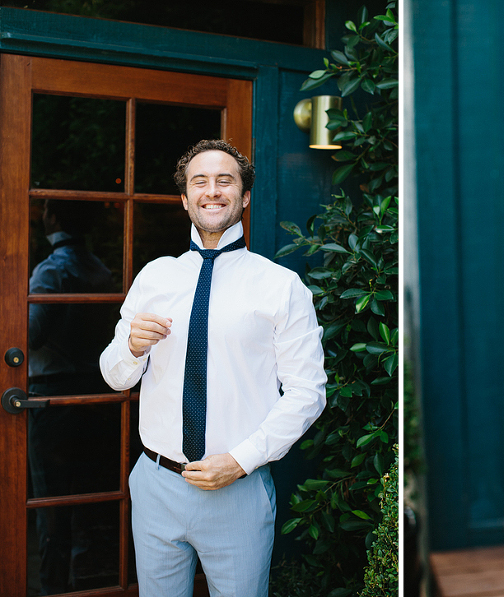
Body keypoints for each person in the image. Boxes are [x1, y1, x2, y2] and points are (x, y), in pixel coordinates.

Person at [99, 139, 327, 596]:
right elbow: (115, 375)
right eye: (199, 181)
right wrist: (131, 347)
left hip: (236, 491)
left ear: (244, 197)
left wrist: (240, 462)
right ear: (185, 200)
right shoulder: (155, 277)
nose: (212, 190)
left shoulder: (281, 286)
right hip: (156, 484)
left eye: (226, 180)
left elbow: (308, 392)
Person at [29, 199, 117, 594]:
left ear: (52, 217)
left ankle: (51, 586)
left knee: (51, 499)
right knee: (87, 495)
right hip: (95, 394)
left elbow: (30, 335)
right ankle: (85, 580)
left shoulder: (51, 270)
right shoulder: (99, 269)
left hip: (53, 396)